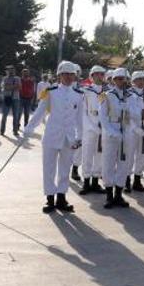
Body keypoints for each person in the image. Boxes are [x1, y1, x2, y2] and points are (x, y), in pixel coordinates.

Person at [23, 61, 85, 213]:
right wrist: (29, 128)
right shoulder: (51, 91)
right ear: (59, 75)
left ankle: (62, 198)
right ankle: (50, 199)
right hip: (51, 135)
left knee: (65, 169)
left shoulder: (79, 95)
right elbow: (40, 111)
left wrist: (80, 136)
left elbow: (79, 118)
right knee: (49, 168)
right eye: (65, 74)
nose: (69, 77)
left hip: (69, 138)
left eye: (71, 74)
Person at [99, 68, 133, 209]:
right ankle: (109, 195)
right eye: (118, 79)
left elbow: (136, 115)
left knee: (123, 163)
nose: (121, 81)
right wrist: (112, 132)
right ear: (113, 80)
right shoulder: (106, 95)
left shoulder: (130, 96)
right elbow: (103, 116)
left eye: (123, 79)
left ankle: (119, 194)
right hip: (111, 132)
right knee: (108, 163)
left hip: (126, 132)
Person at [78, 65, 107, 195]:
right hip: (89, 126)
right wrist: (90, 126)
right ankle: (86, 182)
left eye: (102, 74)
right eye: (97, 74)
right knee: (87, 155)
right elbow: (82, 111)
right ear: (92, 76)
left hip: (103, 128)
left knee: (100, 155)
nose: (100, 77)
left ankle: (95, 182)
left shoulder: (107, 92)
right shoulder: (86, 91)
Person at [125, 70, 144, 193]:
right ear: (133, 81)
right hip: (132, 129)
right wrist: (135, 128)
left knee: (142, 155)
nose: (141, 82)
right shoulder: (128, 94)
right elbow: (127, 114)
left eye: (142, 79)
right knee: (129, 155)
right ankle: (126, 180)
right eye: (138, 79)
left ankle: (137, 180)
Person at [0, 65, 21, 136]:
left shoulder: (17, 78)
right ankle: (2, 131)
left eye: (12, 69)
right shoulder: (4, 78)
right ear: (7, 71)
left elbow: (19, 87)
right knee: (4, 115)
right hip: (7, 97)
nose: (10, 71)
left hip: (16, 98)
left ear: (14, 70)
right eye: (9, 70)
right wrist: (14, 86)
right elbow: (4, 87)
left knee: (16, 116)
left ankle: (15, 131)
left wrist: (9, 86)